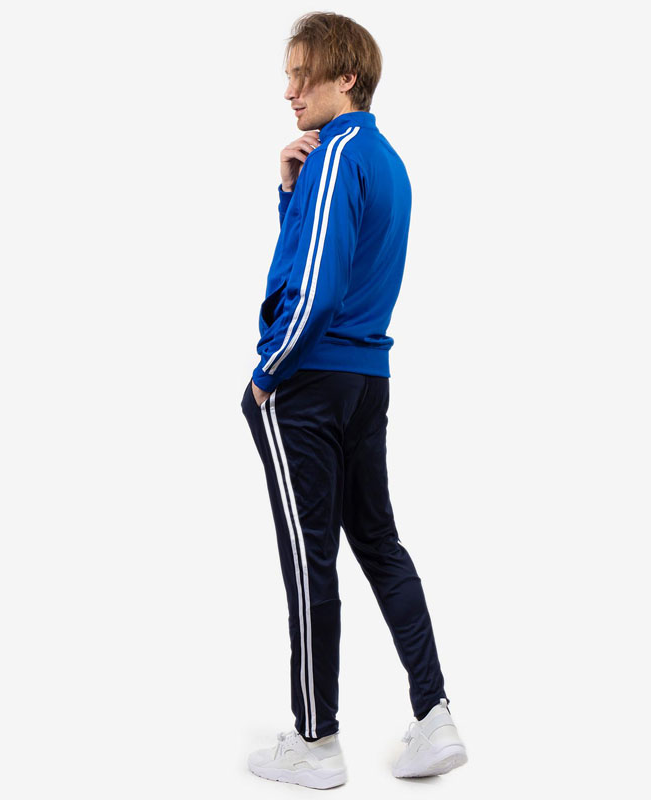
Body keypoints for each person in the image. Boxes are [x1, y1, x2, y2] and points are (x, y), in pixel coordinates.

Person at [241, 12, 468, 789]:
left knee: (309, 560)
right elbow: (329, 255)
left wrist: (266, 375)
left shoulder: (338, 152)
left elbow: (314, 283)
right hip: (367, 380)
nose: (289, 91)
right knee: (378, 541)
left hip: (308, 381)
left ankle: (315, 742)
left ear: (347, 78)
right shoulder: (385, 160)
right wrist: (288, 192)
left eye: (302, 74)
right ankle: (434, 716)